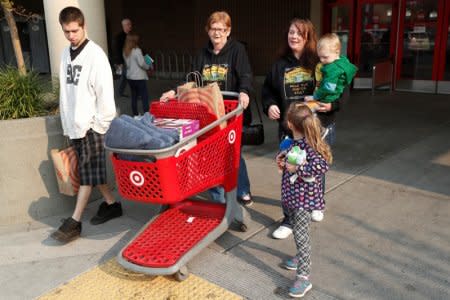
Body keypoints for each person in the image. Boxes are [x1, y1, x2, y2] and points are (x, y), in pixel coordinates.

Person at [160, 11, 253, 206]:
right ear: (208, 31)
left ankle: (242, 189)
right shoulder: (202, 54)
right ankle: (218, 199)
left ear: (228, 31)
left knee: (233, 152)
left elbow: (245, 74)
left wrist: (244, 92)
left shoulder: (237, 50)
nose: (217, 33)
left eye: (221, 29)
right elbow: (192, 79)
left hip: (230, 111)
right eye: (213, 29)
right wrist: (174, 91)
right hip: (209, 113)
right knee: (211, 155)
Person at [51, 6, 122, 243]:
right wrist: (67, 123)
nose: (71, 35)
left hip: (92, 125)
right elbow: (66, 92)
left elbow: (105, 94)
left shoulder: (95, 55)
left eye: (75, 30)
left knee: (87, 175)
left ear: (84, 27)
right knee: (91, 170)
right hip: (75, 125)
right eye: (66, 31)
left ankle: (75, 221)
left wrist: (99, 125)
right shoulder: (64, 54)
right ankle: (112, 205)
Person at [262, 18, 323, 239]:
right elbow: (267, 89)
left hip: (313, 129)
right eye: (291, 32)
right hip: (289, 130)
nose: (294, 36)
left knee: (314, 170)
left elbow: (337, 88)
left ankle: (316, 204)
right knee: (290, 171)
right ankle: (288, 220)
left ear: (308, 37)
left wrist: (332, 104)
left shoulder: (318, 62)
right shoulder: (280, 64)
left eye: (299, 33)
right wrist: (270, 105)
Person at [276, 103, 332, 298]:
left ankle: (303, 277)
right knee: (300, 232)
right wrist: (282, 160)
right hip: (292, 197)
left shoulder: (311, 145)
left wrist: (297, 169)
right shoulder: (292, 143)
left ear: (290, 124)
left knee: (301, 236)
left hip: (303, 200)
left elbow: (321, 167)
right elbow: (288, 158)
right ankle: (301, 257)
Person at [304, 33, 357, 222]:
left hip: (325, 121)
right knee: (308, 163)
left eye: (325, 57)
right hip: (312, 120)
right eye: (320, 57)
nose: (322, 60)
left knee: (319, 164)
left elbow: (342, 95)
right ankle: (308, 200)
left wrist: (330, 105)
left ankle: (318, 204)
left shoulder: (336, 70)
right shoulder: (326, 65)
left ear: (337, 52)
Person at [123, 31, 151, 116]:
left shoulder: (125, 51)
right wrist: (148, 65)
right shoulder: (137, 51)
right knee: (144, 97)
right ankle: (147, 115)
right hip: (139, 77)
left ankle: (135, 114)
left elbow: (127, 64)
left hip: (130, 77)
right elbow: (142, 64)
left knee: (134, 97)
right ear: (134, 41)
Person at [114, 18, 132, 97]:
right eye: (128, 24)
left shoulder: (132, 35)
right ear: (124, 26)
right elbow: (117, 49)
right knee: (127, 77)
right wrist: (120, 62)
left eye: (130, 24)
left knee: (126, 77)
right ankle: (122, 92)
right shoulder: (119, 37)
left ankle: (121, 92)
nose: (130, 26)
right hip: (124, 61)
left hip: (131, 60)